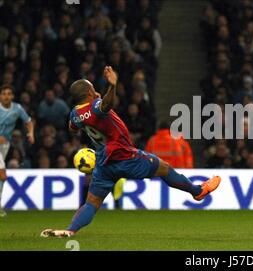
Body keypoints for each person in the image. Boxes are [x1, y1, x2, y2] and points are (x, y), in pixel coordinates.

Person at [41, 66, 220, 237]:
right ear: (89, 93)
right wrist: (112, 85)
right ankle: (197, 191)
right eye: (93, 89)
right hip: (125, 156)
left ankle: (70, 230)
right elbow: (106, 105)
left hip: (104, 163)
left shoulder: (74, 114)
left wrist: (93, 102)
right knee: (164, 168)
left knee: (91, 203)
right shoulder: (96, 107)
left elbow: (72, 128)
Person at [0, 85, 35, 217]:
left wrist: (31, 133)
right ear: (0, 96)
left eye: (9, 93)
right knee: (2, 175)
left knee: (0, 178)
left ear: (13, 96)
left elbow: (29, 121)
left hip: (5, 145)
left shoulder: (17, 108)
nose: (6, 96)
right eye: (4, 93)